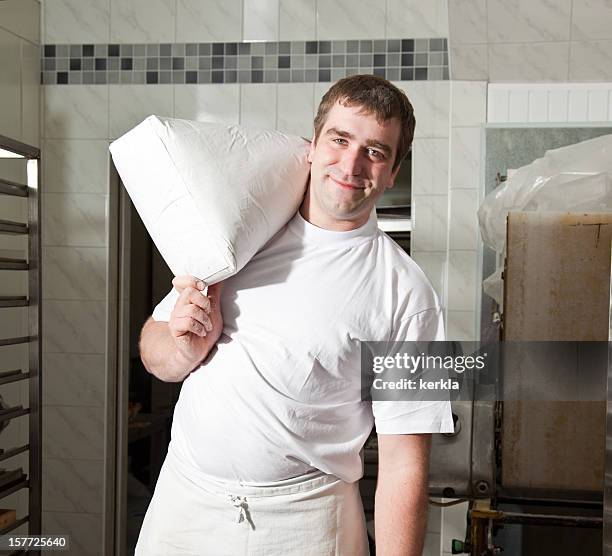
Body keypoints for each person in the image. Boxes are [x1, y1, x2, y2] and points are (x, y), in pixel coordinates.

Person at [135, 74, 453, 556]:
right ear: (313, 144)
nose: (350, 164)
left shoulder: (409, 295)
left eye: (375, 151)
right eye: (340, 139)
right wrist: (183, 347)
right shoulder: (240, 230)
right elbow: (155, 354)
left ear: (392, 172)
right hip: (184, 510)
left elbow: (405, 466)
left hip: (304, 526)